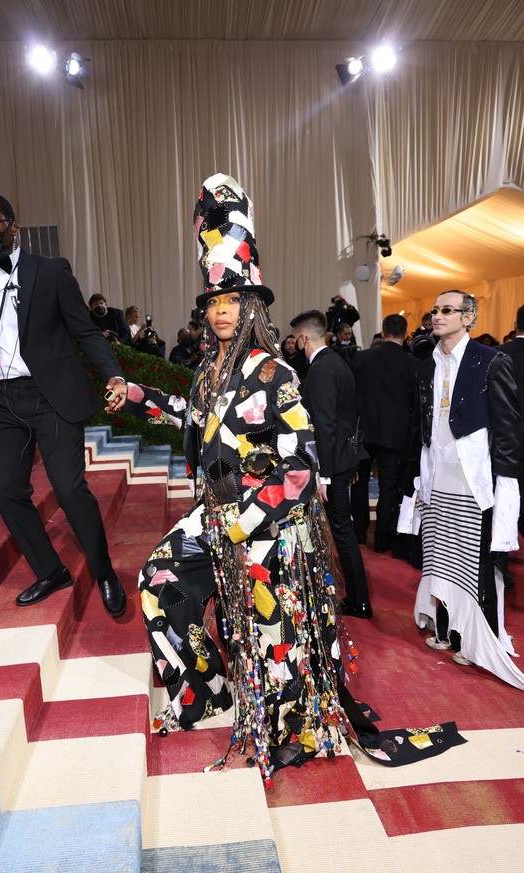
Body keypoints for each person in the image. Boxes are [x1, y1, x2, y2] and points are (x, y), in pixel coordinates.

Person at [116, 173, 373, 782]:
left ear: (252, 307)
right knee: (158, 577)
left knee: (271, 630)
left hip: (267, 532)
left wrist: (248, 520)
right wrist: (139, 395)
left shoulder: (275, 373)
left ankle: (294, 730)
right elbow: (193, 417)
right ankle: (203, 688)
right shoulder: (207, 372)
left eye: (232, 302)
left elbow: (304, 469)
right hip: (213, 517)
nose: (222, 311)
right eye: (214, 303)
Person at [0, 191, 127, 617]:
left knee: (68, 488)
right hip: (2, 401)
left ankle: (103, 571)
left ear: (12, 226)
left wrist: (114, 375)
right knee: (7, 490)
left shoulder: (50, 272)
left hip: (52, 396)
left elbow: (84, 332)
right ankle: (50, 569)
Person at [398, 290, 523, 689]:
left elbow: (508, 430)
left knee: (475, 565)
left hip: (474, 479)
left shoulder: (491, 362)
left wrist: (506, 484)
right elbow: (421, 428)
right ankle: (448, 630)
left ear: (468, 318)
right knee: (439, 558)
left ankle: (478, 642)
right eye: (435, 310)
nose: (437, 316)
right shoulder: (426, 365)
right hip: (437, 476)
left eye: (447, 310)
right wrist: (417, 480)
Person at [291, 309, 372, 619]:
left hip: (332, 466)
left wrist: (325, 474)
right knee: (343, 531)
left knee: (342, 533)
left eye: (296, 340)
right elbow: (347, 417)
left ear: (303, 338)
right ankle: (357, 596)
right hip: (342, 460)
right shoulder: (336, 362)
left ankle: (359, 600)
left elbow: (325, 425)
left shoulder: (322, 369)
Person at [350, 314, 419, 552]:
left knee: (359, 484)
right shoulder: (413, 364)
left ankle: (359, 533)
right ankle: (381, 538)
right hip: (394, 433)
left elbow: (351, 395)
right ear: (406, 334)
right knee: (388, 485)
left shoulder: (361, 357)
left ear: (382, 331)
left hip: (363, 431)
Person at [498, 304, 524, 540]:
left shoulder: (496, 355)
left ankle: (499, 570)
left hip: (503, 444)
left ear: (515, 325)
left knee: (503, 506)